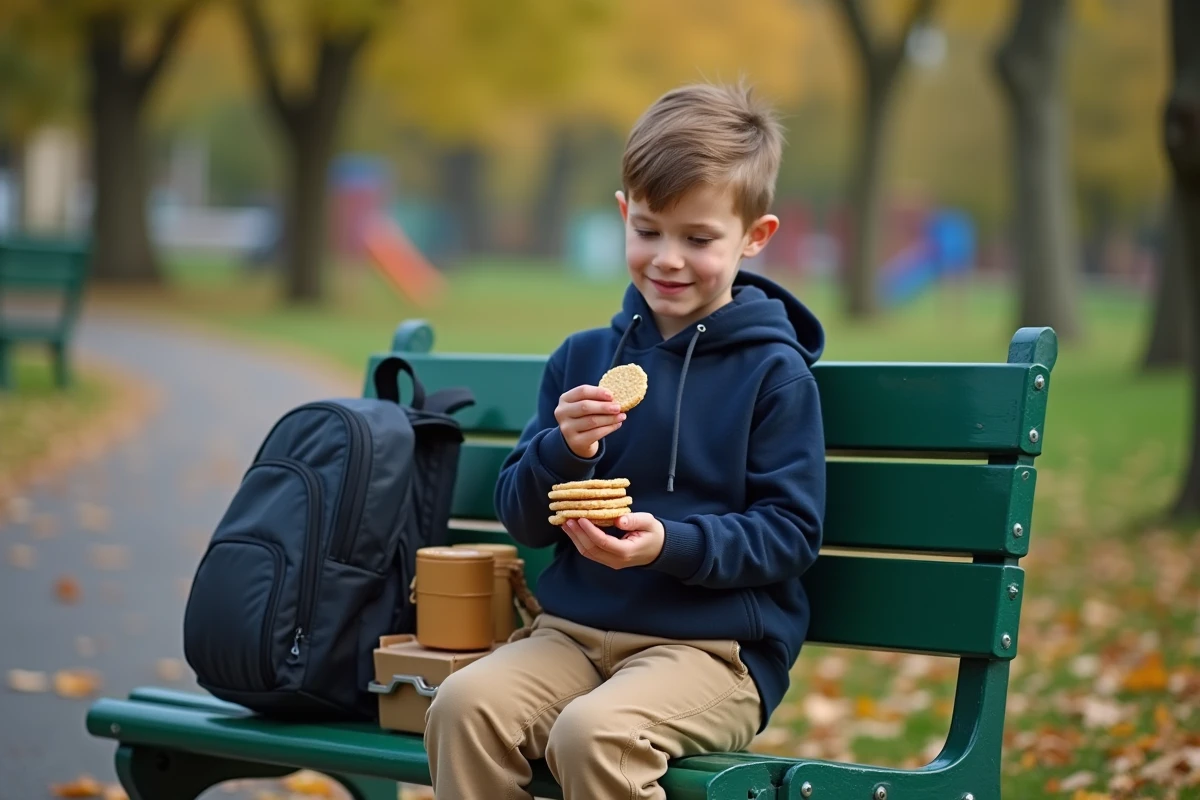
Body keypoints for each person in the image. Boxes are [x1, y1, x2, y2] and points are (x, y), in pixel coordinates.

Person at [424, 81, 827, 800]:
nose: (668, 259)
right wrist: (563, 449)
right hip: (573, 633)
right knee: (462, 705)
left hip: (711, 652)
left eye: (698, 239)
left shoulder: (774, 372)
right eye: (648, 230)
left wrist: (669, 543)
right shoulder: (582, 362)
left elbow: (790, 534)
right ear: (623, 214)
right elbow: (520, 516)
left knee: (594, 736)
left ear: (754, 237)